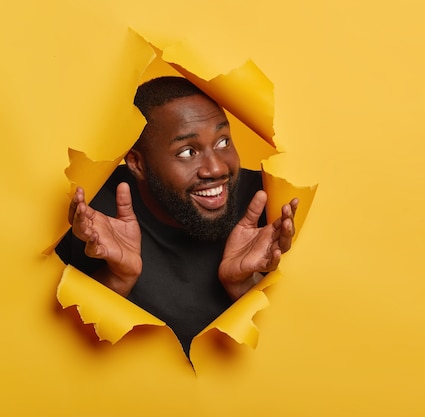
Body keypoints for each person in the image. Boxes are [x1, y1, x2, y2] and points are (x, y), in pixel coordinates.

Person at [56, 76, 298, 356]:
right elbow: (55, 351)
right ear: (137, 163)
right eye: (188, 152)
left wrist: (246, 286)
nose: (216, 168)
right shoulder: (89, 215)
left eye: (222, 142)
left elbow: (296, 349)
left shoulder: (270, 205)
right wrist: (116, 281)